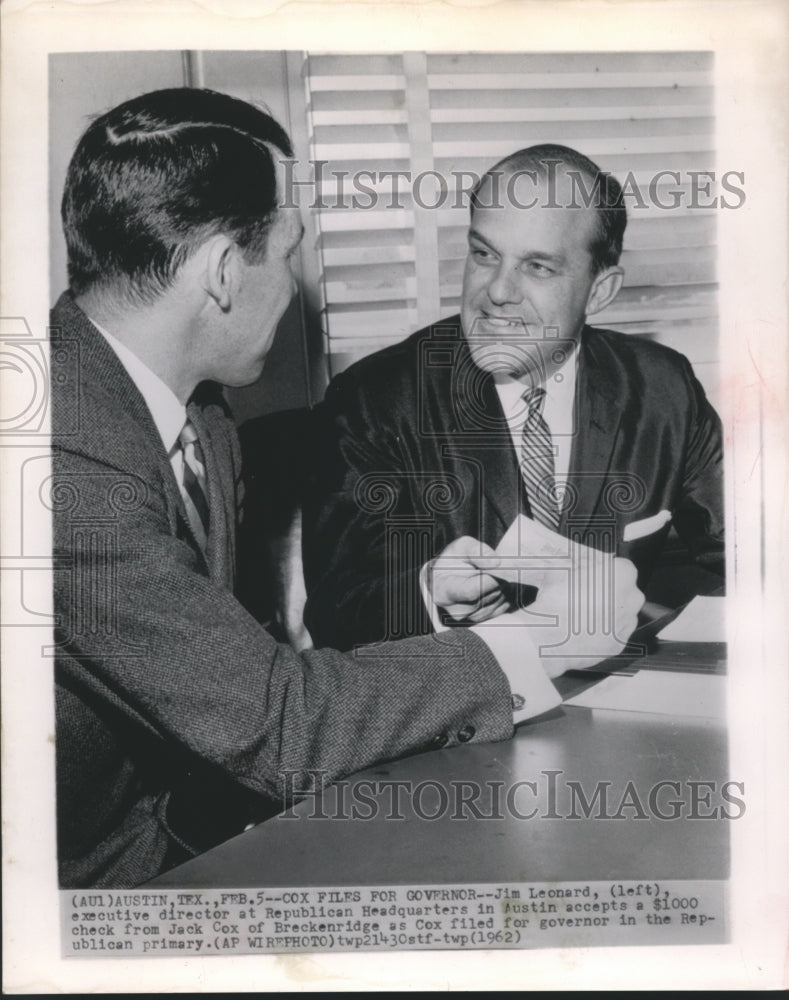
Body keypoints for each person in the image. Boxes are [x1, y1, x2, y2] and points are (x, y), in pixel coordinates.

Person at [51, 92, 643, 889]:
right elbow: (278, 723)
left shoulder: (198, 412)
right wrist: (535, 641)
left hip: (197, 825)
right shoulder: (59, 460)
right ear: (225, 271)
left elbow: (221, 681)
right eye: (288, 251)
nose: (296, 284)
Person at [303, 144, 724, 650]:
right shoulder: (376, 400)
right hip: (460, 714)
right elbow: (335, 611)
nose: (497, 291)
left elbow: (750, 553)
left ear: (600, 292)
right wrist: (428, 593)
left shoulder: (663, 388)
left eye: (538, 267)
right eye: (484, 254)